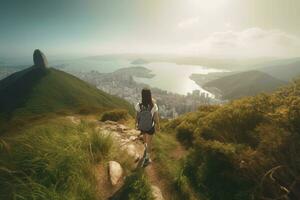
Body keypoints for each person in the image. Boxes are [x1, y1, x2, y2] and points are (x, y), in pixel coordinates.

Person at [135, 88, 160, 165]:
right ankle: (147, 159)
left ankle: (145, 148)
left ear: (142, 95)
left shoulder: (138, 105)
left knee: (145, 138)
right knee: (150, 143)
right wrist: (158, 125)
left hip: (142, 126)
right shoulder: (153, 106)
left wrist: (135, 123)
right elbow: (156, 118)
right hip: (150, 127)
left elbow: (137, 116)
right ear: (150, 95)